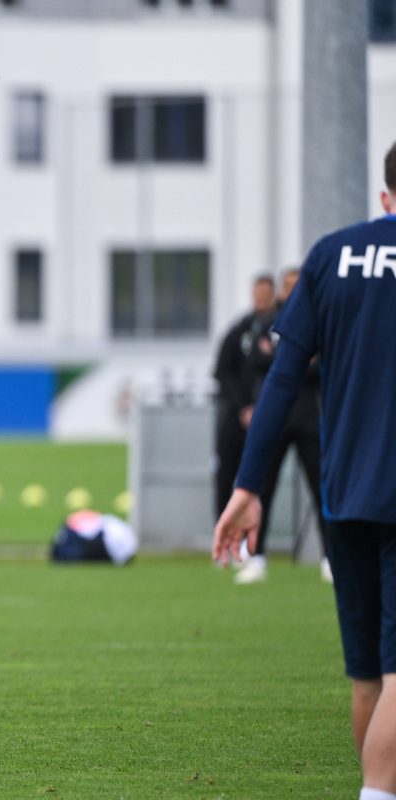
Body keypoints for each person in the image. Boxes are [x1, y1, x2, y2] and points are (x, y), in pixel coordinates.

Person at [214, 141, 396, 800]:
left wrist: (248, 485)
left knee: (369, 676)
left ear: (384, 198)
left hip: (346, 494)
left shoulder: (330, 256)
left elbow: (284, 376)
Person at [232, 267, 330, 584]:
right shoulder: (268, 321)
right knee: (261, 488)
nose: (291, 291)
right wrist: (298, 362)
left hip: (308, 419)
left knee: (321, 489)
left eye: (296, 285)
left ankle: (330, 557)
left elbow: (321, 368)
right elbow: (256, 363)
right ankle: (255, 556)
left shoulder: (320, 319)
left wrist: (284, 361)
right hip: (275, 420)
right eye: (287, 286)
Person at [211, 275, 275, 520]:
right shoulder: (239, 331)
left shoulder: (280, 330)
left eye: (265, 293)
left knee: (261, 478)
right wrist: (243, 408)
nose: (261, 298)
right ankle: (223, 529)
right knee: (225, 475)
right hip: (235, 418)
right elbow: (221, 372)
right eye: (257, 292)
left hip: (266, 417)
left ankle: (254, 543)